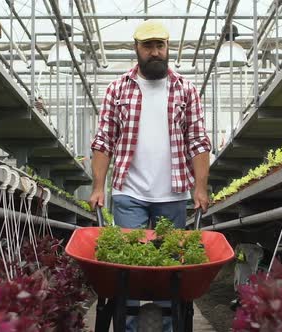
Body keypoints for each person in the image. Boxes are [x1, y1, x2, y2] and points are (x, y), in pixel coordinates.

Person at [89, 20, 211, 331]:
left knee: (172, 272)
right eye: (148, 46)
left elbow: (198, 141)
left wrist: (200, 188)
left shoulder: (186, 89)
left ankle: (171, 327)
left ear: (168, 49)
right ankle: (128, 326)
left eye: (160, 46)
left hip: (173, 195)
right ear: (137, 49)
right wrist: (98, 187)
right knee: (127, 271)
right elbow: (104, 140)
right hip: (129, 193)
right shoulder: (117, 89)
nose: (155, 52)